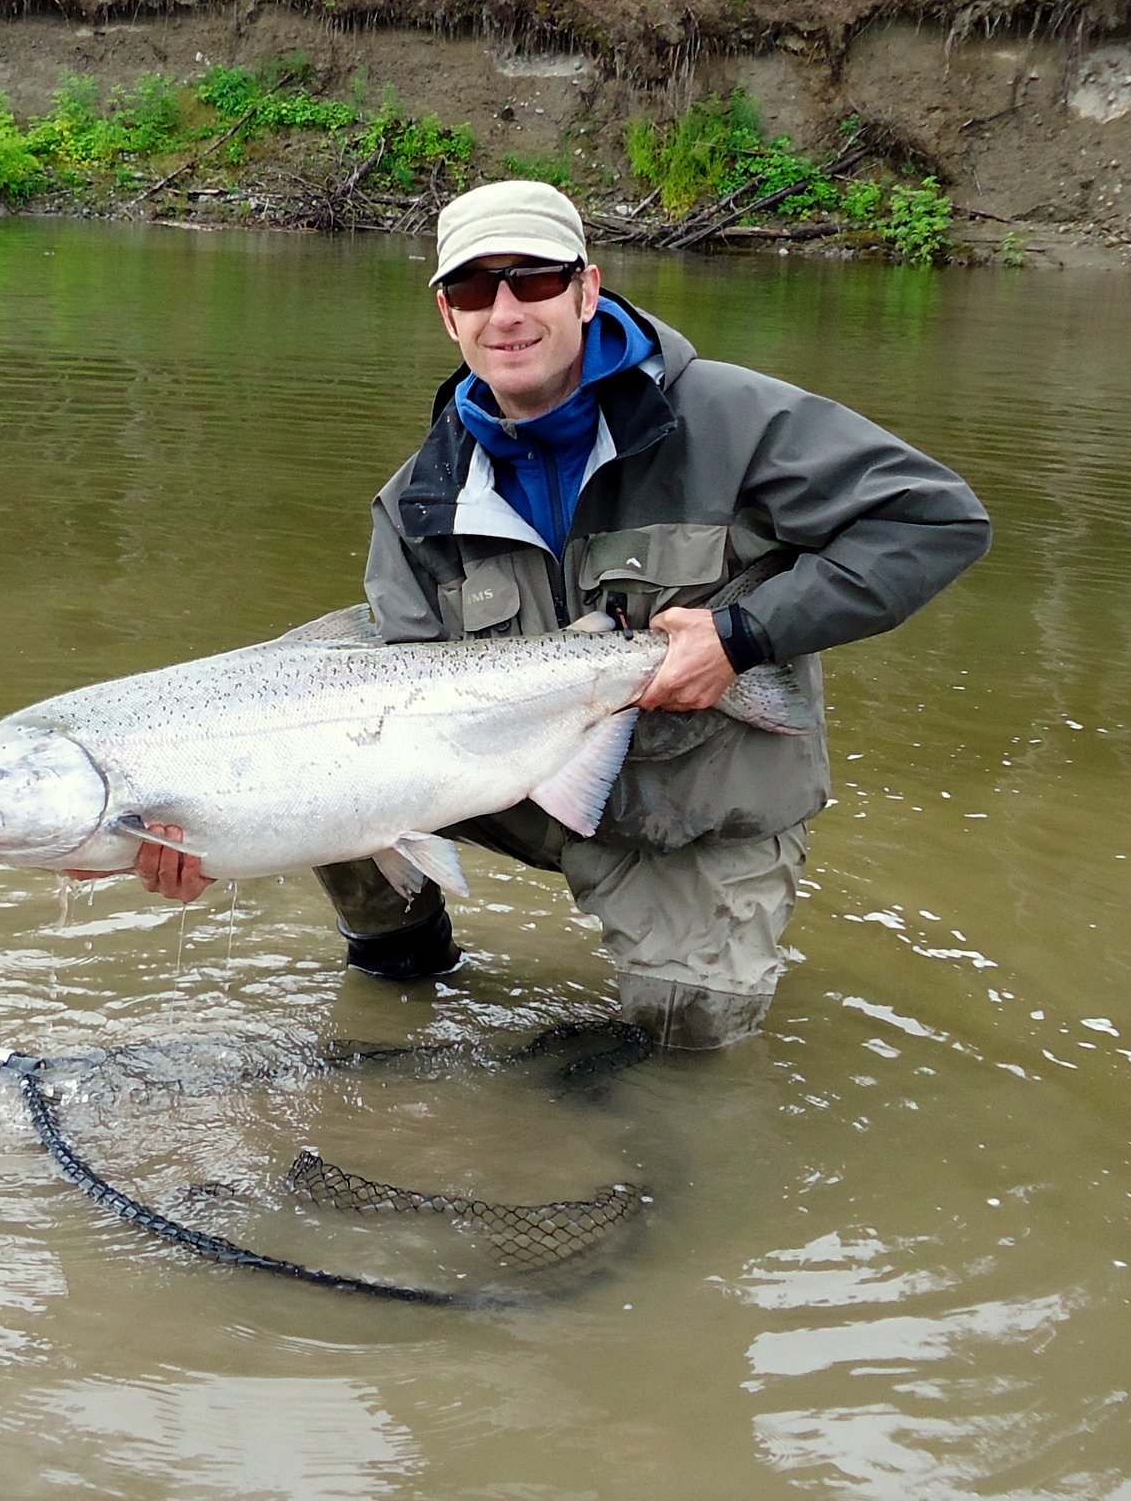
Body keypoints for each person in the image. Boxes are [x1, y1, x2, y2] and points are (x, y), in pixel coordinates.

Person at [117, 180, 992, 1051]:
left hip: (697, 806)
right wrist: (219, 836)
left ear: (586, 288)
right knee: (322, 734)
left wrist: (742, 637)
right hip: (512, 776)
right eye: (472, 289)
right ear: (445, 317)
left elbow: (934, 520)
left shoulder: (728, 418)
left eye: (532, 280)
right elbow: (383, 719)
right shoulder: (417, 501)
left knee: (686, 1048)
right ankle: (403, 970)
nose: (504, 313)